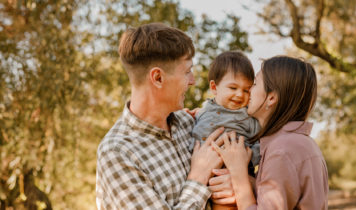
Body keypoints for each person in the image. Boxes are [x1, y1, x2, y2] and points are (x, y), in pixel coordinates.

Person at [96, 23, 227, 210]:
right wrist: (198, 177)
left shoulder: (189, 123)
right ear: (158, 78)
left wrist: (235, 182)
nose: (193, 81)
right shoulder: (118, 152)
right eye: (187, 71)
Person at [212, 56, 329, 210]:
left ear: (271, 98)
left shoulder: (282, 150)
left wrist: (238, 174)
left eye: (254, 84)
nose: (248, 90)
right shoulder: (298, 143)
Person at [189, 51, 261, 170]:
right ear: (214, 87)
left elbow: (263, 144)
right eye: (233, 88)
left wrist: (248, 160)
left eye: (246, 90)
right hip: (200, 172)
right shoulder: (202, 111)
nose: (239, 95)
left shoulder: (247, 116)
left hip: (233, 176)